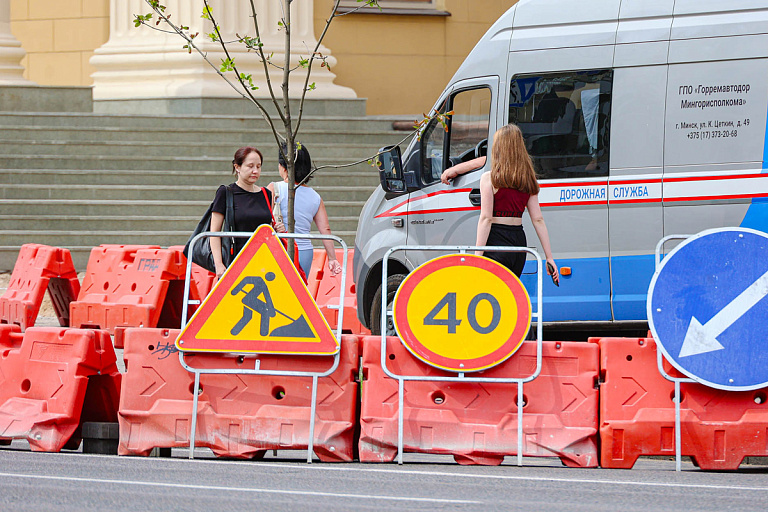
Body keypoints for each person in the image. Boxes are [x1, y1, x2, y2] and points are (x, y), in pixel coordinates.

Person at [440, 124, 559, 284]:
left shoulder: (490, 178)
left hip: (496, 241)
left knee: (491, 295)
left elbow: (486, 219)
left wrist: (477, 256)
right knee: (509, 291)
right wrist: (549, 257)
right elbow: (538, 219)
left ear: (498, 147)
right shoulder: (528, 179)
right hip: (518, 242)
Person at [268, 143, 343, 278]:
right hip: (304, 250)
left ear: (283, 167)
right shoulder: (315, 197)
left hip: (279, 247)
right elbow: (325, 229)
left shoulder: (274, 188)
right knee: (298, 292)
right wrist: (332, 258)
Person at [210, 146, 281, 279]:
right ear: (237, 167)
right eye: (250, 166)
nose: (255, 171)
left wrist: (276, 230)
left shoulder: (266, 194)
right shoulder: (225, 192)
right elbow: (214, 232)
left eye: (259, 166)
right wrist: (218, 264)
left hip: (263, 262)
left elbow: (267, 228)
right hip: (234, 261)